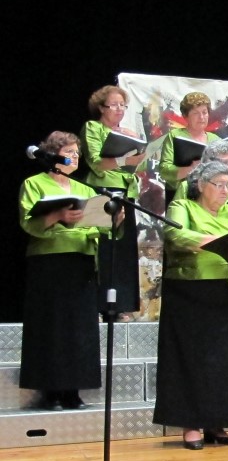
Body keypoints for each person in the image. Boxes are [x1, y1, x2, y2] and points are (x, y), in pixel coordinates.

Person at [154, 161, 228, 449]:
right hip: (191, 293)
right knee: (191, 359)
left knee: (225, 361)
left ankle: (218, 421)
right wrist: (214, 240)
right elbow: (175, 235)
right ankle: (191, 424)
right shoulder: (183, 207)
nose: (225, 190)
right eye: (219, 185)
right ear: (201, 185)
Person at [18, 131, 119, 410]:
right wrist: (58, 215)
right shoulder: (34, 183)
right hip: (50, 261)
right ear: (54, 155)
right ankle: (51, 391)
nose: (75, 157)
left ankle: (74, 390)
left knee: (80, 327)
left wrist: (113, 220)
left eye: (77, 153)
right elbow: (28, 222)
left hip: (81, 260)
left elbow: (98, 226)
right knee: (51, 326)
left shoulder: (84, 188)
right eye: (70, 152)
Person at [80, 84, 145, 319]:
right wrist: (124, 159)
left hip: (126, 192)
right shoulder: (93, 127)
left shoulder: (126, 132)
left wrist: (137, 149)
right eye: (114, 105)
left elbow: (139, 165)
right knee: (104, 250)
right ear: (101, 108)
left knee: (124, 252)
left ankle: (121, 304)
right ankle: (99, 304)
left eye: (122, 105)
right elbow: (96, 163)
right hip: (102, 191)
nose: (119, 109)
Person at [159, 92, 221, 208]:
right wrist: (191, 168)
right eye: (196, 113)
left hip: (209, 197)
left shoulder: (216, 140)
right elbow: (164, 170)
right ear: (185, 116)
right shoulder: (175, 135)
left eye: (204, 112)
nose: (201, 117)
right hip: (179, 195)